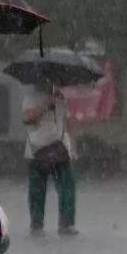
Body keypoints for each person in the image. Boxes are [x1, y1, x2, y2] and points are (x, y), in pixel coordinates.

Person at [22, 75, 78, 236]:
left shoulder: (61, 99)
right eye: (48, 79)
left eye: (53, 80)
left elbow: (69, 123)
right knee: (36, 191)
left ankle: (67, 225)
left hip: (60, 150)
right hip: (36, 152)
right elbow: (26, 118)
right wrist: (46, 105)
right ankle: (36, 225)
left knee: (68, 188)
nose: (51, 83)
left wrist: (73, 147)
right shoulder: (30, 97)